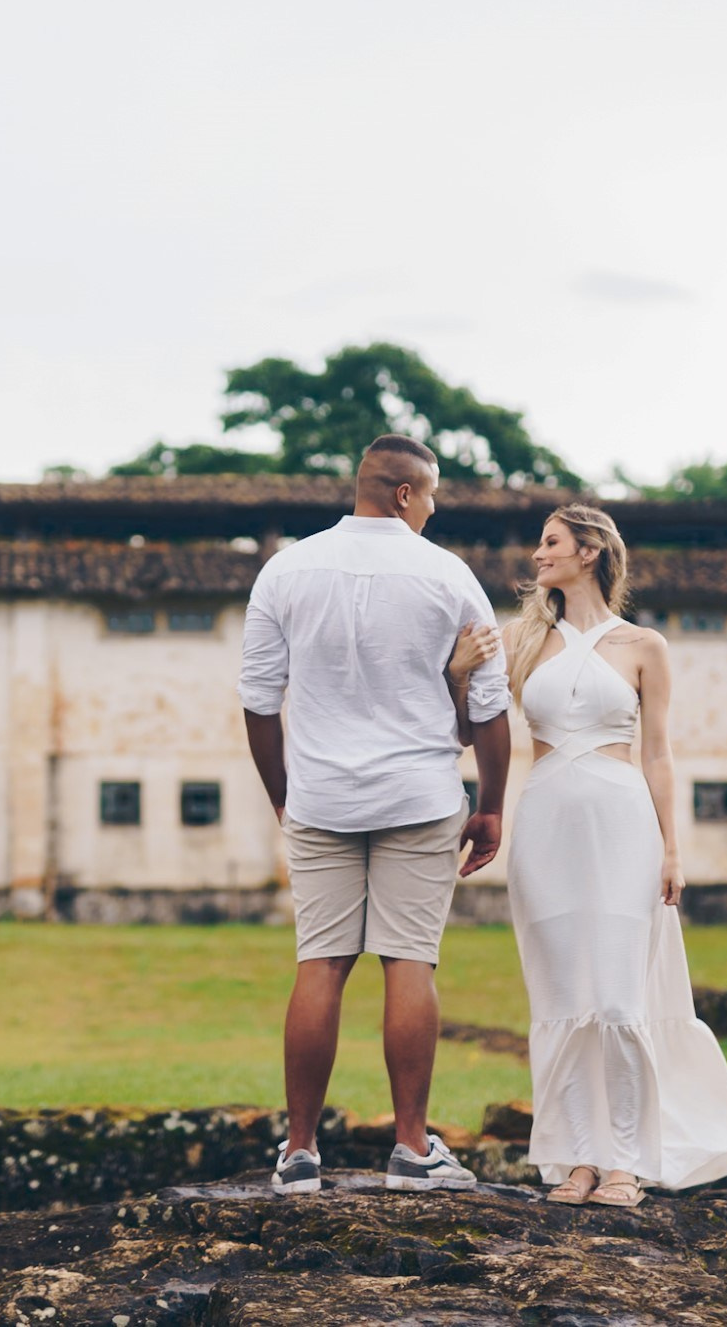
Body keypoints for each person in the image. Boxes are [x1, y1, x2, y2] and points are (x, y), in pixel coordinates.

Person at [446, 503, 727, 1206]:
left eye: (550, 542)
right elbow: (469, 728)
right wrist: (461, 675)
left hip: (624, 824)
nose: (537, 554)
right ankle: (575, 1159)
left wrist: (673, 847)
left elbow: (658, 752)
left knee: (619, 996)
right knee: (563, 995)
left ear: (589, 550)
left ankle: (626, 1160)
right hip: (548, 823)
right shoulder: (522, 642)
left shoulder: (644, 646)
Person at [238, 433, 513, 1195]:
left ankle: (298, 1151)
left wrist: (283, 795)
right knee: (408, 960)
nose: (431, 509)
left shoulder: (286, 569)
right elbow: (490, 709)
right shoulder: (448, 575)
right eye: (429, 496)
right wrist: (489, 808)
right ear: (404, 493)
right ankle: (412, 1146)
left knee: (320, 961)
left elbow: (260, 701)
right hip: (420, 796)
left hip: (321, 796)